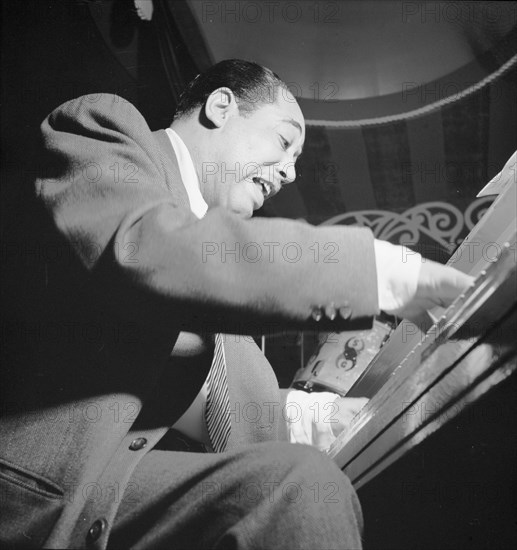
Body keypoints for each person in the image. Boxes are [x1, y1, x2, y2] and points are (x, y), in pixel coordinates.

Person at [0, 59, 472, 549]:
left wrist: (320, 416)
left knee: (299, 488)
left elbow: (238, 399)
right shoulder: (105, 128)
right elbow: (150, 250)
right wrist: (387, 273)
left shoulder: (222, 290)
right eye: (285, 141)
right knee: (298, 486)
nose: (290, 172)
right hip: (37, 500)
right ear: (221, 106)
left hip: (116, 496)